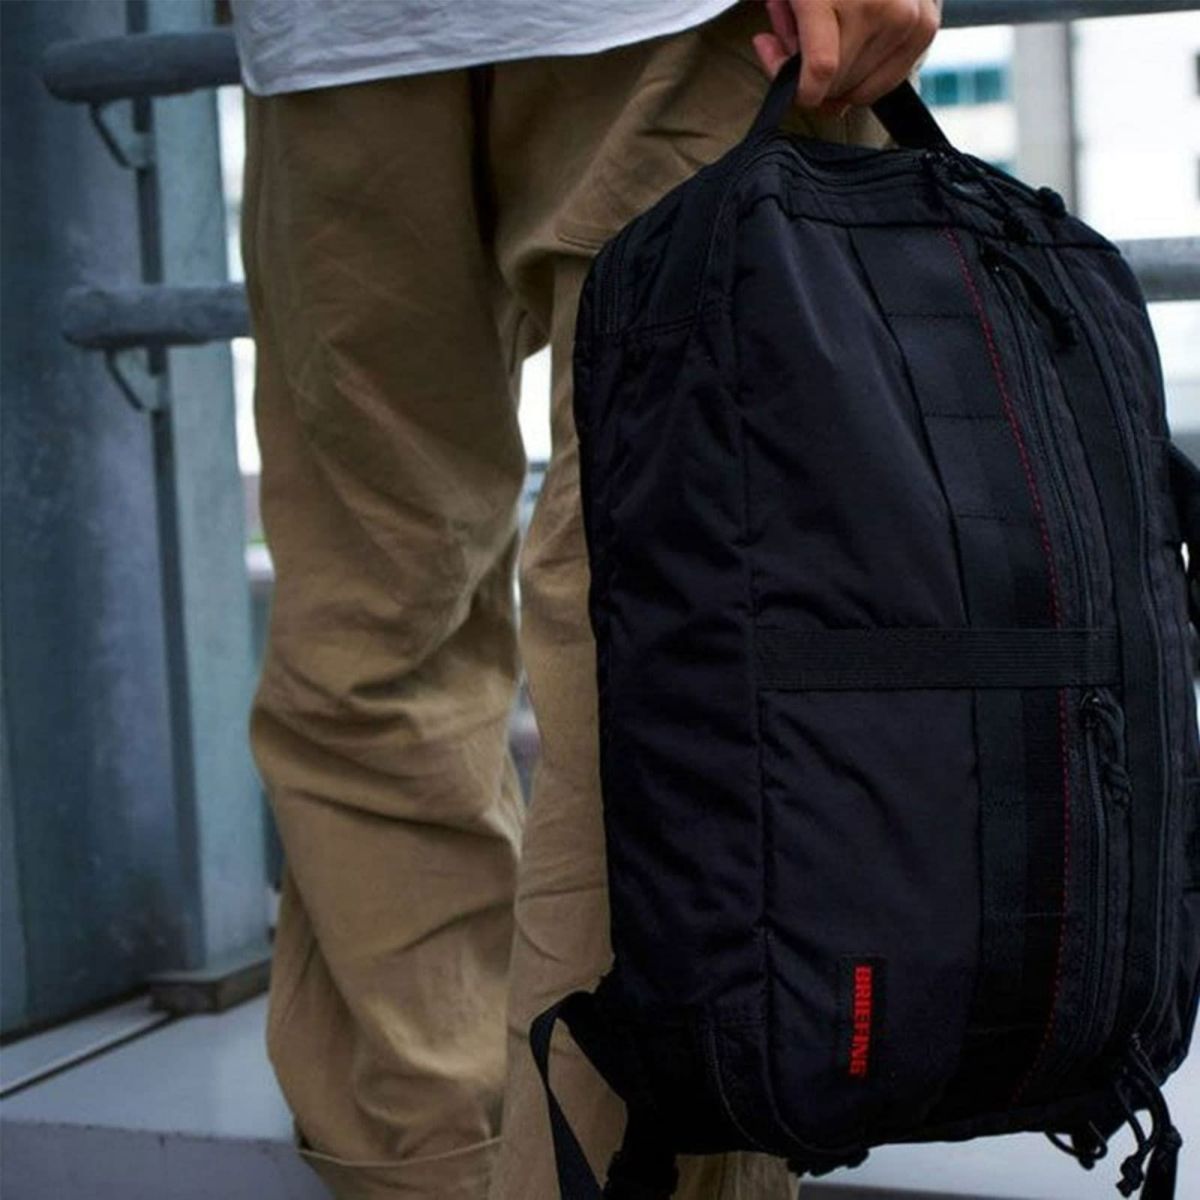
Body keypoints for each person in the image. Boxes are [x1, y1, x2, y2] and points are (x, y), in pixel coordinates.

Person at [231, 1, 941, 1197]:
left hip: (664, 25)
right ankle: (443, 1176)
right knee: (408, 639)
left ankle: (552, 1171)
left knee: (661, 653)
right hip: (342, 43)